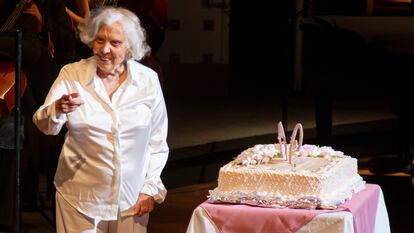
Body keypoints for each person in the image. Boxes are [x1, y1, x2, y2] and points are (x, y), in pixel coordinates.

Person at [32, 6, 169, 233]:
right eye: (99, 40)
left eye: (115, 43)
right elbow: (44, 125)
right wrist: (57, 109)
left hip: (131, 199)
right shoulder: (72, 74)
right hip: (80, 199)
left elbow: (158, 142)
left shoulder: (148, 81)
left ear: (129, 47)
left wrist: (150, 188)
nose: (105, 49)